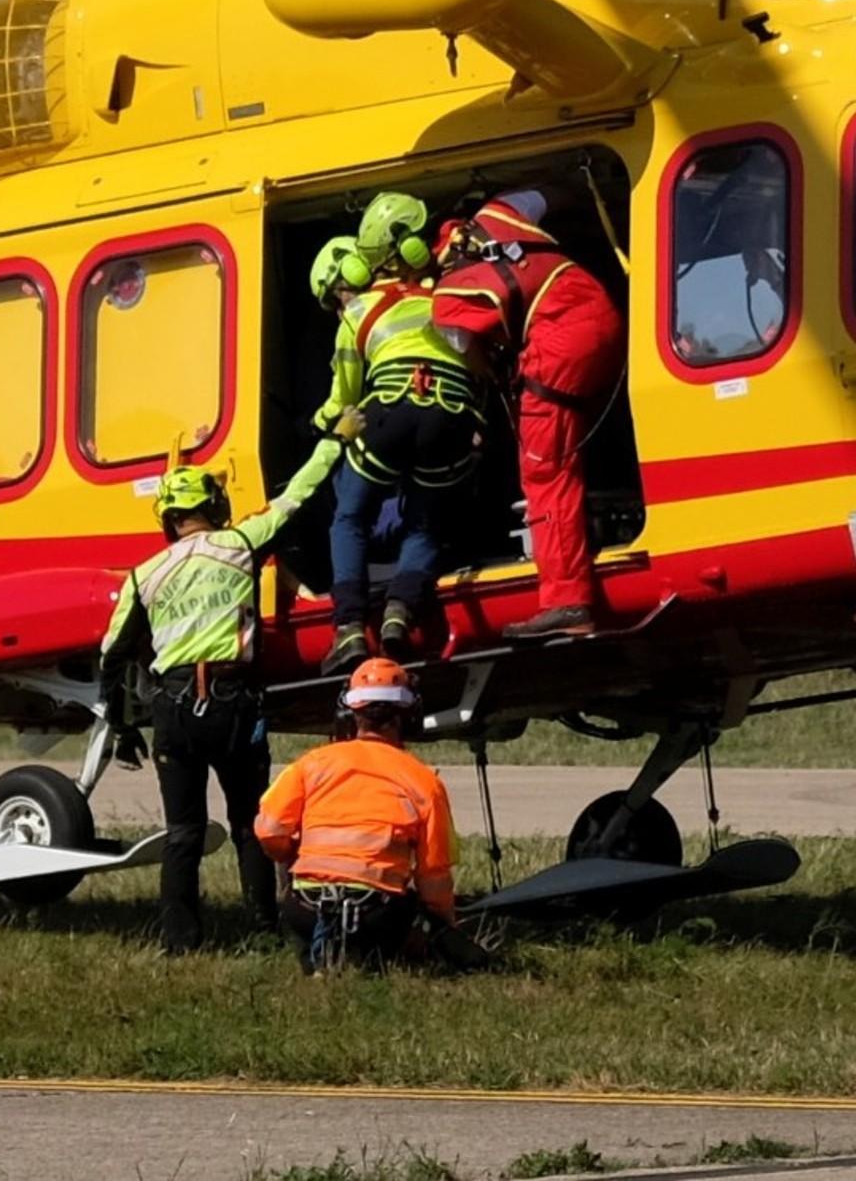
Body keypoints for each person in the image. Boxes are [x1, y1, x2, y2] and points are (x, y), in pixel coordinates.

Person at [98, 412, 364, 953]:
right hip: (235, 704)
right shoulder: (242, 543)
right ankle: (264, 927)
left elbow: (111, 656)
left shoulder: (142, 576)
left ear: (168, 521)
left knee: (183, 834)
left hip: (173, 711)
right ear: (213, 509)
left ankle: (180, 941)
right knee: (250, 821)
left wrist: (122, 725)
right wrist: (336, 440)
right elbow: (298, 496)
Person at [431, 186, 625, 639]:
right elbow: (545, 194)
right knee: (582, 442)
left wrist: (501, 377)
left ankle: (567, 602)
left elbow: (473, 357)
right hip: (603, 316)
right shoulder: (503, 213)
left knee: (545, 473)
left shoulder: (447, 297)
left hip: (558, 347)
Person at [309, 219, 483, 675]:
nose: (335, 306)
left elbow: (343, 399)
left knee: (349, 518)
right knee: (425, 525)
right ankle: (399, 615)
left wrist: (319, 422)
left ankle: (348, 627)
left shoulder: (357, 314)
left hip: (389, 412)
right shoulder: (443, 294)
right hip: (449, 417)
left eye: (332, 297)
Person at [253, 657, 460, 974]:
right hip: (378, 917)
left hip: (306, 911)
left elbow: (268, 830)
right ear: (408, 715)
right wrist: (445, 930)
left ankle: (323, 956)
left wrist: (292, 855)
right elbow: (434, 877)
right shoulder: (424, 782)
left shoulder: (311, 764)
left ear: (349, 712)